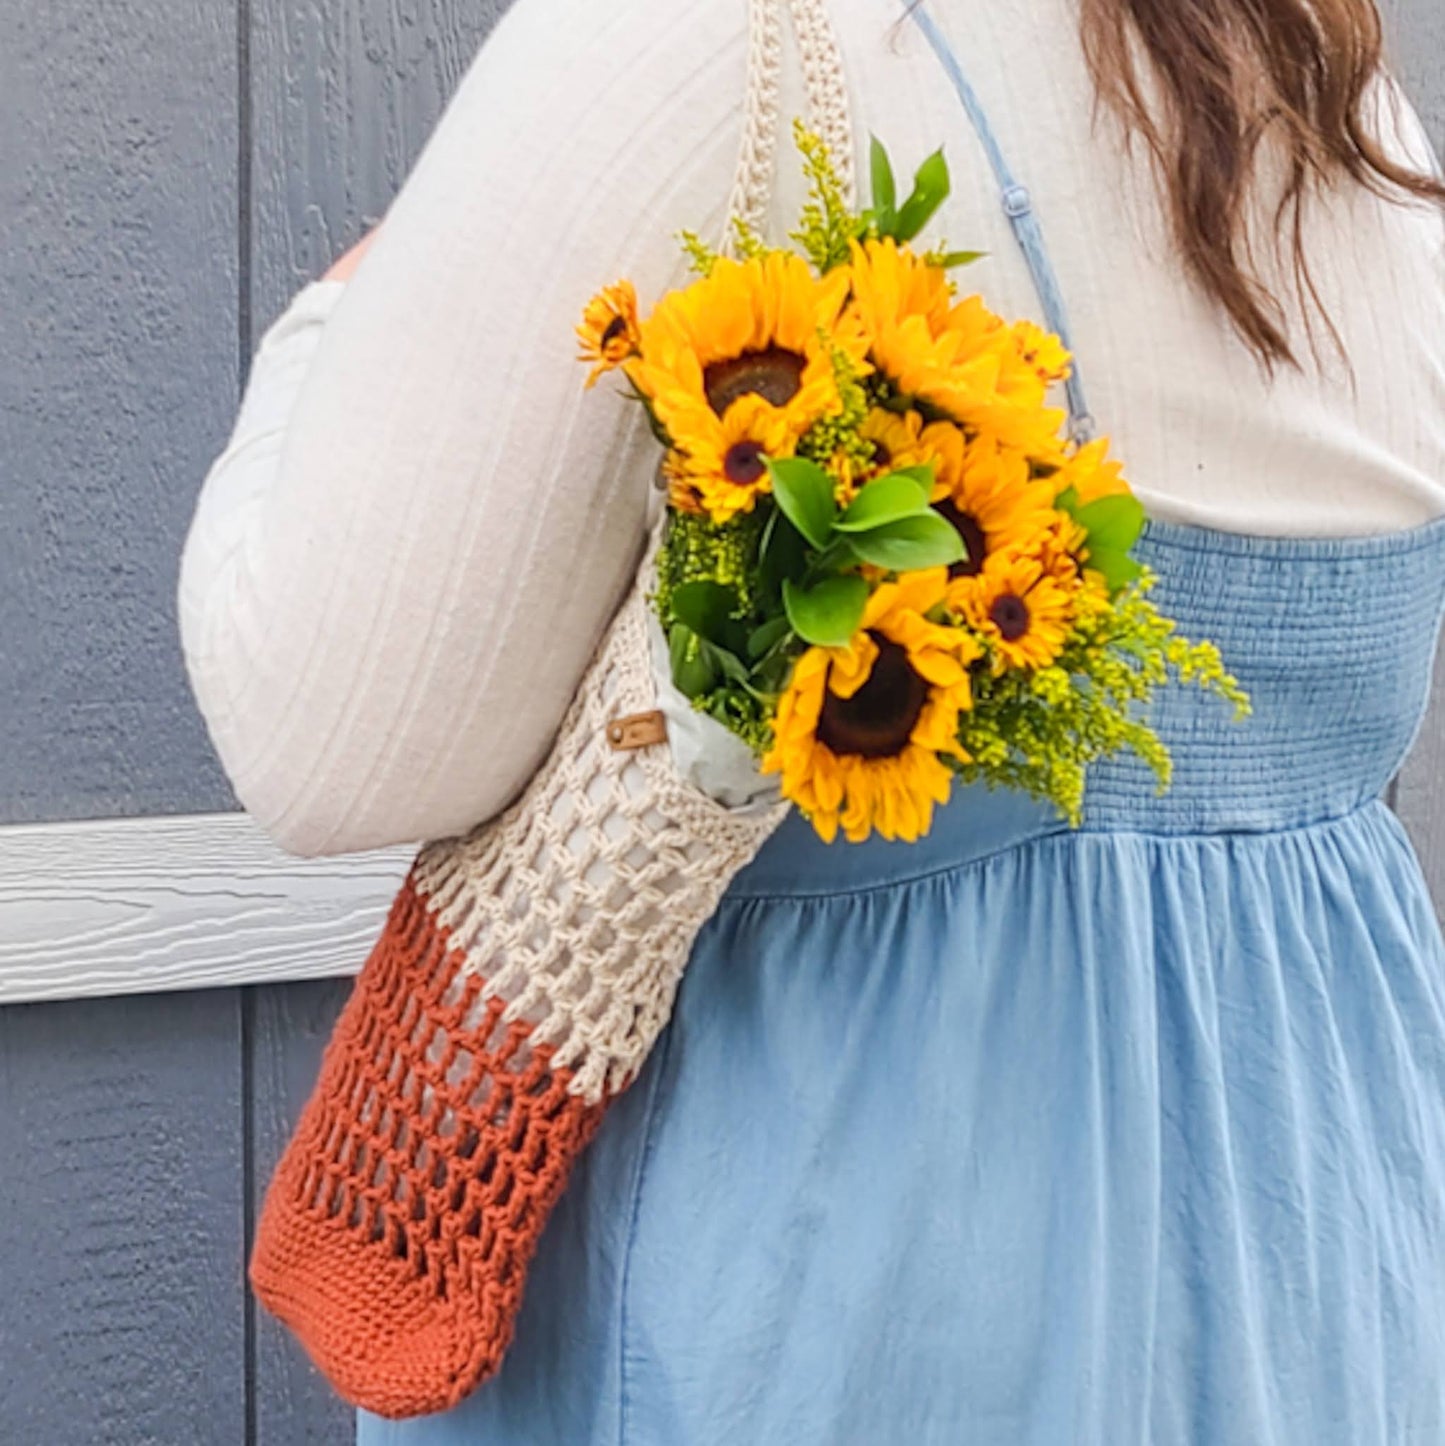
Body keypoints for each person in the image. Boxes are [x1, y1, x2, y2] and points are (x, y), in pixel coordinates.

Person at [177, 0, 1445, 1440]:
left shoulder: (708, 41)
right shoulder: (1335, 100)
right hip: (1313, 1298)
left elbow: (324, 736)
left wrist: (330, 316)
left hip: (824, 1318)